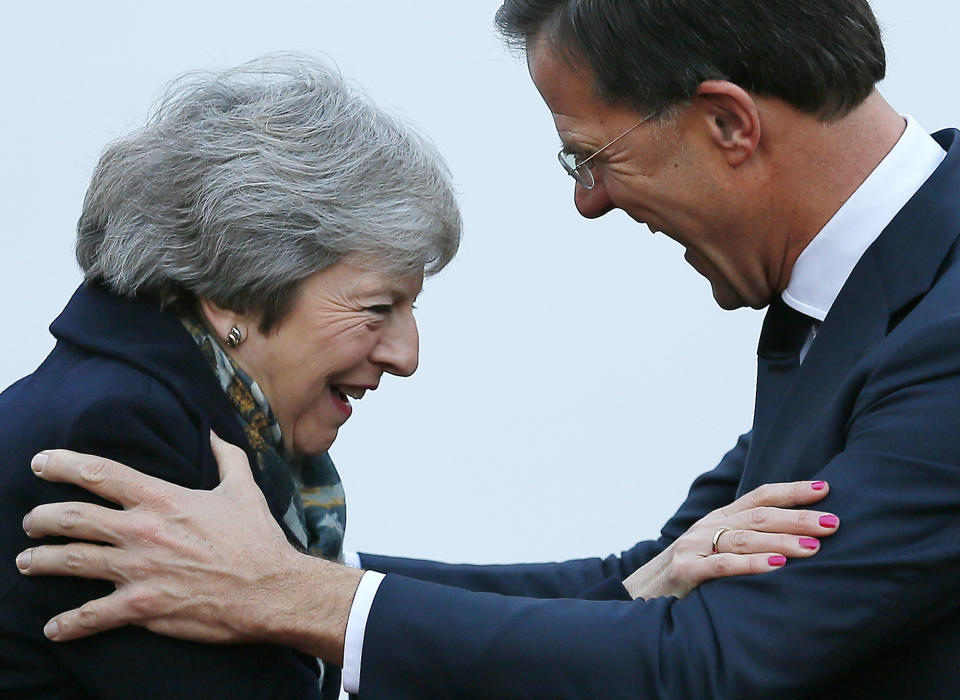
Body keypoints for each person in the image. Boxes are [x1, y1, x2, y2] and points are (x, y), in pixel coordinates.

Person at [15, 0, 958, 695]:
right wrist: (292, 587)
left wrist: (298, 598)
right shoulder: (859, 303)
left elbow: (712, 660)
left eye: (588, 156)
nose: (588, 201)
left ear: (728, 123)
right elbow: (655, 576)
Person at [0, 53, 462, 698]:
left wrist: (621, 599)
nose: (405, 354)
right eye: (378, 308)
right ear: (235, 291)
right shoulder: (118, 434)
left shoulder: (135, 397)